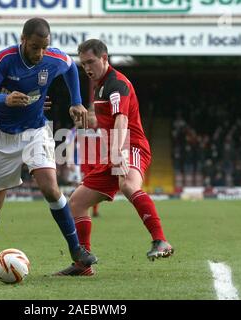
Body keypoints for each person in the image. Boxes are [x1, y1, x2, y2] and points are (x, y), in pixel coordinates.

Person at [0, 17, 97, 275]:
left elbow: (71, 68)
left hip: (36, 130)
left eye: (44, 47)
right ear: (23, 40)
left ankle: (76, 249)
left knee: (50, 188)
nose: (40, 53)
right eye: (34, 47)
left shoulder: (53, 58)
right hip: (3, 135)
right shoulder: (5, 59)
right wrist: (4, 99)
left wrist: (76, 100)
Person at [56, 39, 174, 276]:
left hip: (131, 145)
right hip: (113, 151)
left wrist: (118, 152)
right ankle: (83, 264)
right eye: (83, 64)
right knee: (76, 203)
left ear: (104, 59)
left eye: (91, 62)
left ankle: (161, 240)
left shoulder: (116, 84)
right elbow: (104, 120)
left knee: (128, 185)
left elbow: (121, 120)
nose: (87, 68)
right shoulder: (100, 87)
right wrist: (83, 118)